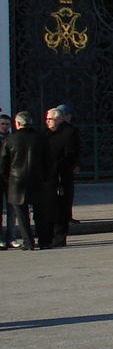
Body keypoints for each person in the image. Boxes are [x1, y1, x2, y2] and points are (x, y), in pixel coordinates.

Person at [0, 111, 52, 251]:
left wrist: (8, 178)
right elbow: (48, 162)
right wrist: (45, 177)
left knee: (21, 214)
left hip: (17, 180)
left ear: (17, 124)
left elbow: (3, 164)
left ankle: (28, 242)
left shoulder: (10, 140)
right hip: (38, 179)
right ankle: (44, 241)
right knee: (40, 213)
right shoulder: (41, 139)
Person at [45, 105, 81, 247]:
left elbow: (70, 153)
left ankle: (60, 237)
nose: (47, 122)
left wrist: (57, 166)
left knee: (61, 207)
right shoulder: (47, 133)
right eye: (47, 119)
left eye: (50, 119)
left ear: (59, 119)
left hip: (61, 175)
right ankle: (48, 236)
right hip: (48, 176)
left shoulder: (69, 132)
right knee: (49, 206)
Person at [0, 113, 14, 248]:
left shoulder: (12, 139)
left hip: (11, 178)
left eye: (7, 124)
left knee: (12, 209)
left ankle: (11, 237)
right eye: (2, 124)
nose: (4, 127)